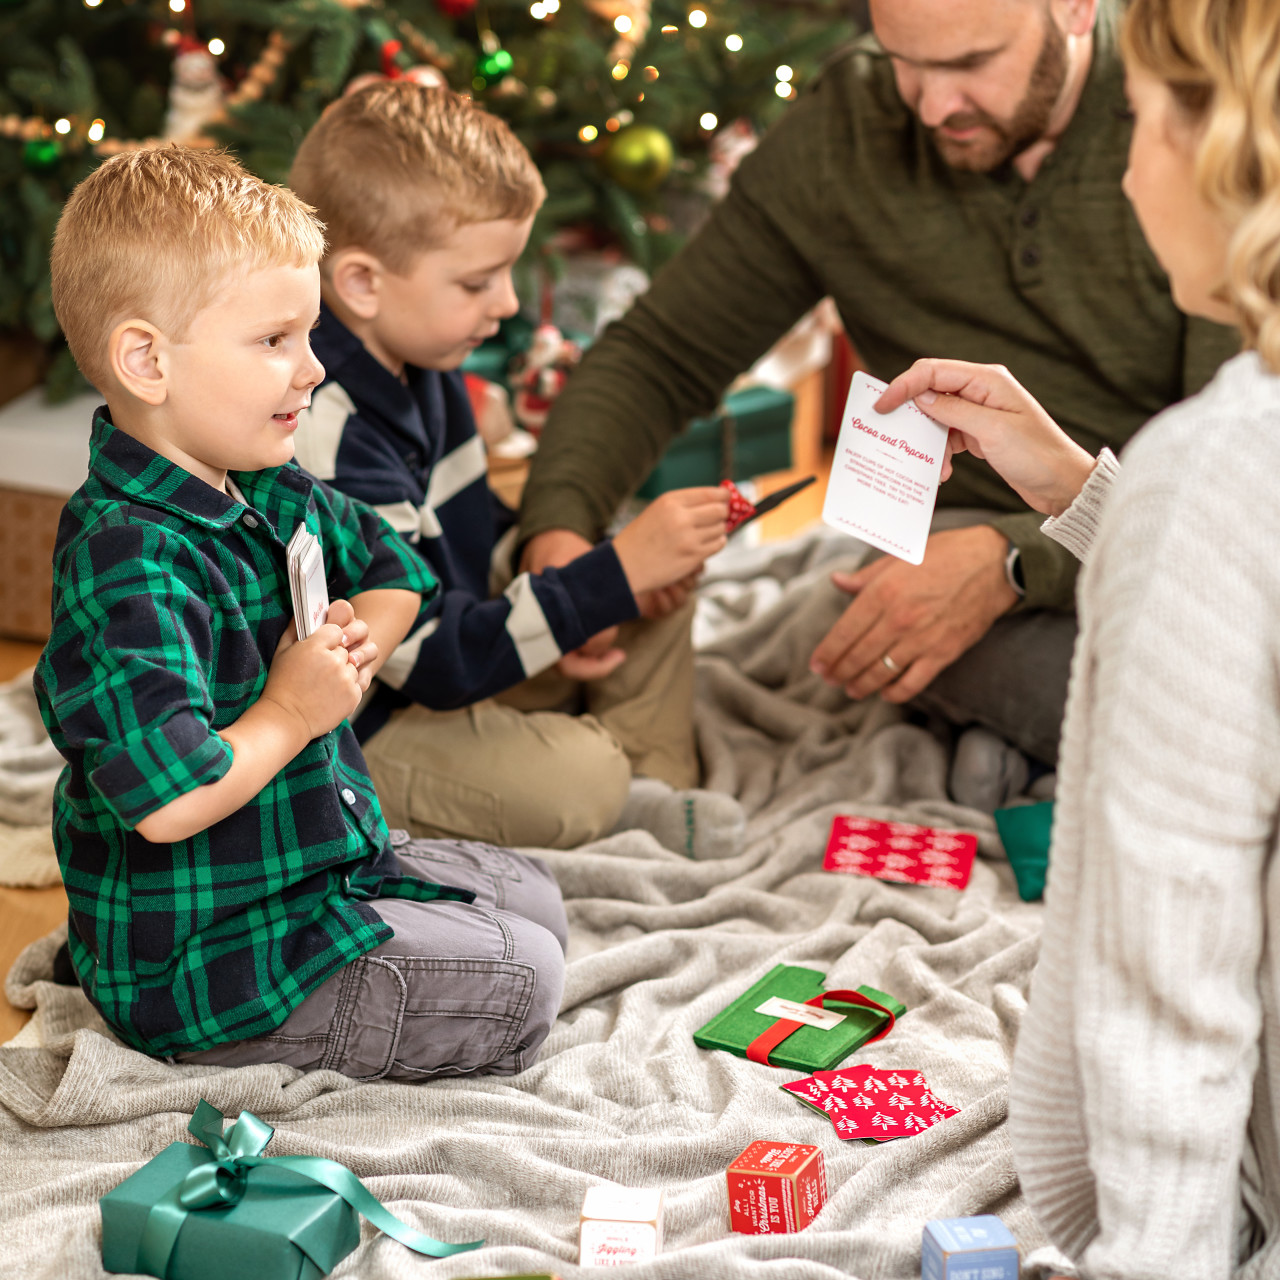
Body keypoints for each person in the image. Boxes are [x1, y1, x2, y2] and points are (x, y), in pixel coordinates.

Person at [517, 0, 1240, 808]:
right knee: (889, 618)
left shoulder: (1186, 116)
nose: (931, 107)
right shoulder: (847, 130)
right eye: (903, 60)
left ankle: (1030, 751)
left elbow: (1238, 491)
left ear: (1074, 9)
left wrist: (1020, 560)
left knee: (1220, 702)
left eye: (969, 64)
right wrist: (560, 533)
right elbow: (662, 353)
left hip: (1189, 551)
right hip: (956, 537)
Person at [875, 0, 1280, 1267]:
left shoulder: (1214, 473)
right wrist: (1072, 484)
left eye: (1147, 121)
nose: (1121, 160)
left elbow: (1166, 1000)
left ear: (1227, 157)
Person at [35, 145, 569, 1080]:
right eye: (275, 341)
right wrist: (292, 712)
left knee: (541, 900)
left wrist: (353, 654)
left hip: (311, 858)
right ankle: (210, 1027)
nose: (314, 369)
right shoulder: (126, 556)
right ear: (147, 361)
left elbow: (399, 569)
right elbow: (167, 803)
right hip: (209, 959)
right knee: (528, 978)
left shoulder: (265, 482)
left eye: (310, 335)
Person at [286, 82, 742, 856]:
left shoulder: (425, 363)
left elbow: (462, 539)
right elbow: (421, 659)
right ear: (361, 282)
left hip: (458, 651)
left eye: (508, 273)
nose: (505, 304)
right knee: (577, 779)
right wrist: (597, 585)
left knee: (653, 596)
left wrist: (592, 577)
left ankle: (647, 786)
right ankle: (612, 792)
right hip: (368, 724)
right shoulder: (320, 425)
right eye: (475, 283)